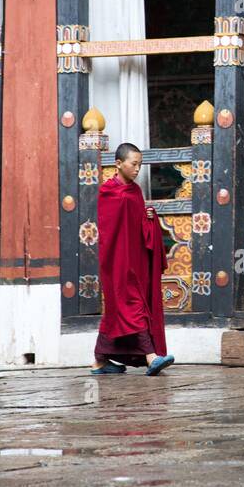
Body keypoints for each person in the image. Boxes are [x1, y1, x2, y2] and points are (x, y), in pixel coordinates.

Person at [91, 143, 174, 376]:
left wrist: (148, 218)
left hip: (135, 260)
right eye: (133, 164)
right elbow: (111, 231)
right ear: (118, 164)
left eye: (140, 164)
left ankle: (99, 360)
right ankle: (151, 357)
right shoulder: (108, 191)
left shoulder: (135, 191)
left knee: (117, 312)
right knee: (132, 305)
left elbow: (136, 224)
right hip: (117, 261)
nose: (137, 169)